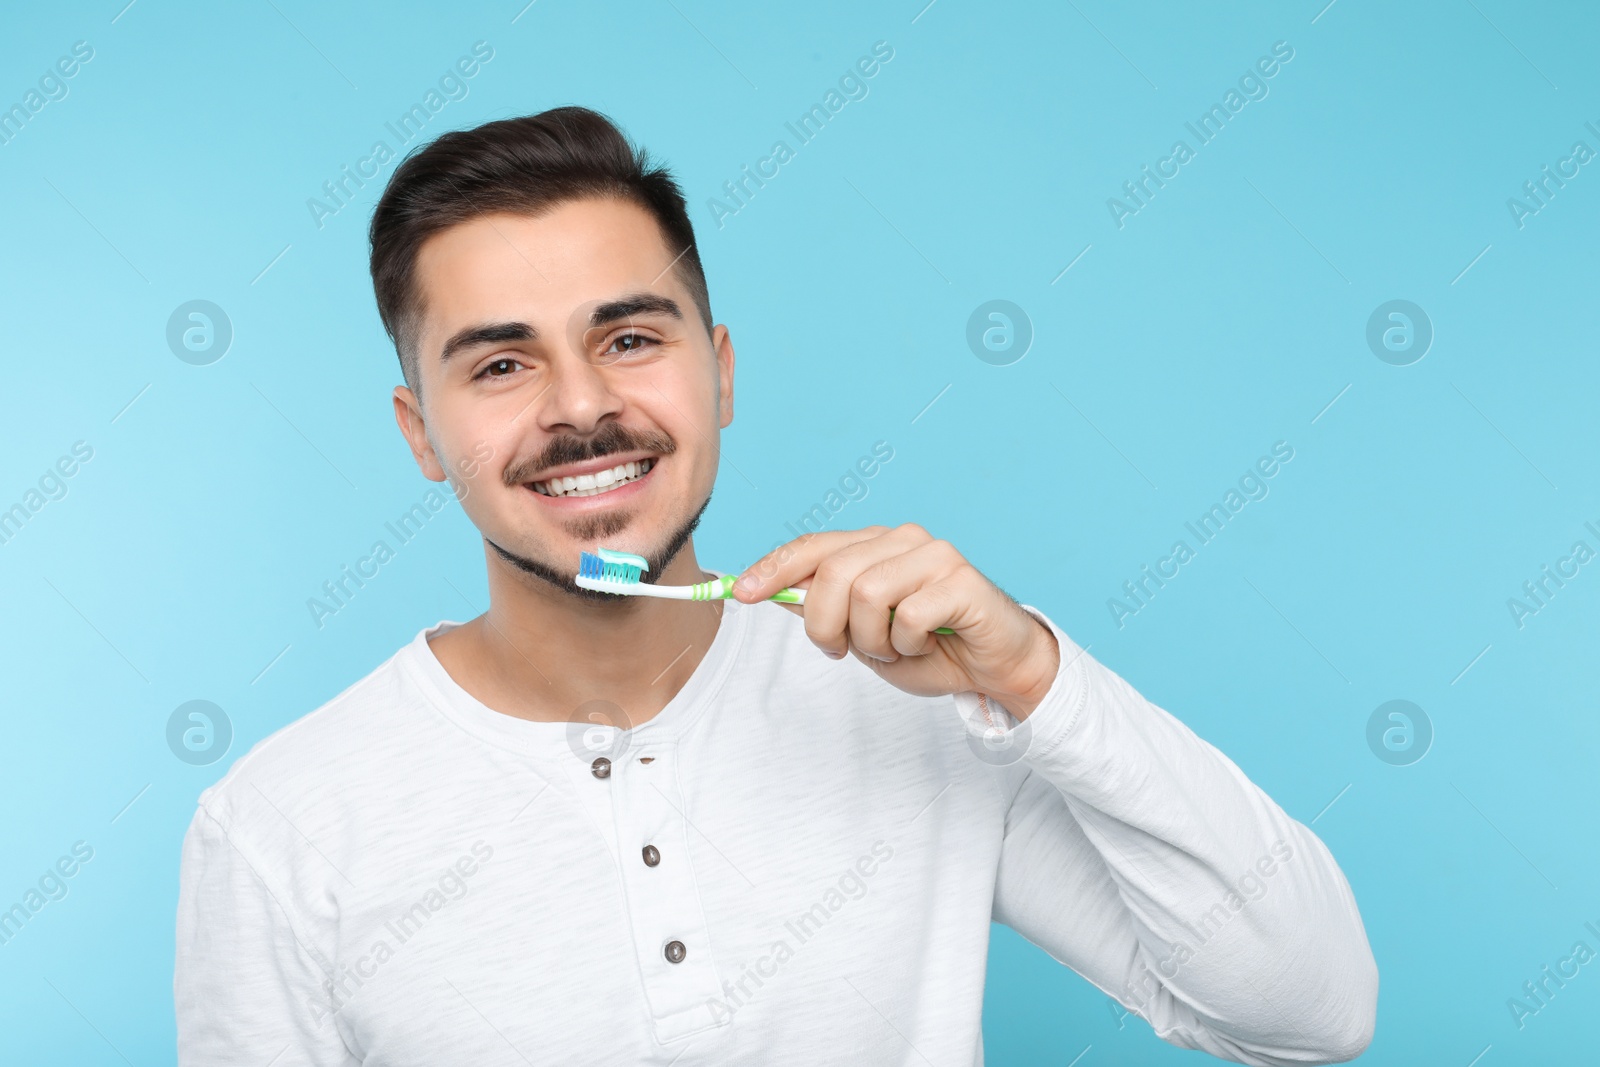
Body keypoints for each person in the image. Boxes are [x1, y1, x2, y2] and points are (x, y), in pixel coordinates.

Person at [174, 106, 1377, 1065]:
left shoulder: (920, 707)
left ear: (721, 372)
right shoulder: (283, 821)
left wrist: (1031, 676)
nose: (583, 407)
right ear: (422, 434)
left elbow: (1310, 1013)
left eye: (632, 339)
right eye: (500, 362)